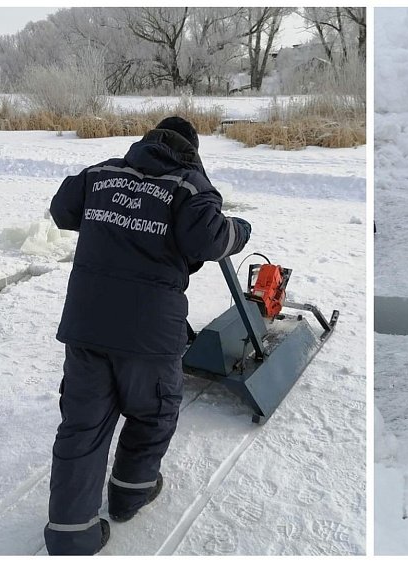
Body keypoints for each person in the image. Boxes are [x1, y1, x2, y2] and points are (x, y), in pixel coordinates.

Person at [44, 116, 251, 554]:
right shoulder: (189, 186)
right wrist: (242, 230)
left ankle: (69, 533)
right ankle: (130, 491)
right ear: (190, 152)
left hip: (86, 325)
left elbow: (62, 209)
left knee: (83, 424)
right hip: (148, 334)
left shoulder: (101, 174)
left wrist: (117, 216)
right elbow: (211, 240)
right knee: (153, 411)